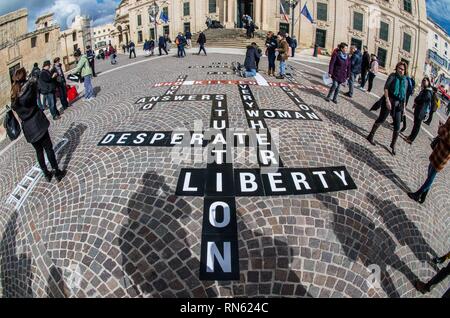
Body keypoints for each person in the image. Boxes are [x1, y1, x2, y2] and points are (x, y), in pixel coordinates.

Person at [10, 67, 66, 182]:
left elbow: (15, 109)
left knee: (39, 151)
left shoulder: (14, 95)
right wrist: (32, 81)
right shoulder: (29, 88)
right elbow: (37, 90)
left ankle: (46, 174)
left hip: (28, 127)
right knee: (48, 148)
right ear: (24, 76)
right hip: (37, 122)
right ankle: (57, 172)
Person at [366, 61, 410, 156]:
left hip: (399, 104)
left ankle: (392, 145)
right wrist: (387, 100)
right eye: (399, 68)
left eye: (403, 69)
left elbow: (404, 95)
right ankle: (371, 135)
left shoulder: (405, 80)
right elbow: (386, 88)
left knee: (397, 126)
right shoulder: (392, 76)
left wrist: (404, 108)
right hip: (389, 99)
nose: (401, 71)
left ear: (405, 70)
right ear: (397, 68)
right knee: (381, 119)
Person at [407, 116, 450, 203]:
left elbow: (447, 137)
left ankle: (418, 194)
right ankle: (424, 195)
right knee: (430, 170)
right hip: (439, 149)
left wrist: (441, 128)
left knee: (431, 175)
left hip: (443, 154)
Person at [405, 77, 433, 144]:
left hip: (421, 112)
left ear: (429, 82)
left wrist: (416, 100)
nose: (423, 82)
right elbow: (419, 98)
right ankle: (410, 136)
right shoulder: (424, 90)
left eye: (425, 81)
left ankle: (411, 140)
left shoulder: (428, 92)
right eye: (423, 80)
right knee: (415, 125)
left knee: (417, 127)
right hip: (418, 110)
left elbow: (422, 100)